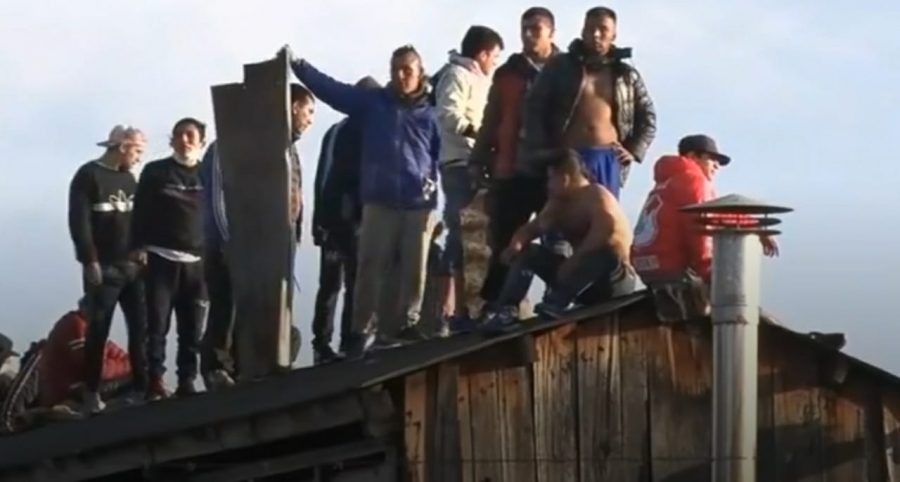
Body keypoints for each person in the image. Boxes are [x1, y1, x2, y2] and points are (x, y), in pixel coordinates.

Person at [286, 44, 440, 357]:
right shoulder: (374, 103)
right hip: (379, 201)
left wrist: (439, 187)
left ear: (419, 72)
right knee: (369, 266)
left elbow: (443, 151)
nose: (400, 76)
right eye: (395, 70)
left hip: (418, 201)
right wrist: (300, 66)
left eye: (407, 70)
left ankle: (406, 324)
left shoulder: (432, 113)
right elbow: (333, 90)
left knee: (414, 268)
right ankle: (360, 331)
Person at [199, 85, 315, 388]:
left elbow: (294, 197)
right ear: (293, 107)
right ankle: (216, 368)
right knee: (226, 306)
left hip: (270, 246)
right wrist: (228, 240)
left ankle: (248, 367)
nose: (310, 120)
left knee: (260, 308)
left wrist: (293, 237)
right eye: (308, 111)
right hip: (227, 242)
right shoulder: (228, 144)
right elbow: (217, 196)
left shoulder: (288, 150)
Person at [482, 149, 636, 334]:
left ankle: (556, 302)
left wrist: (574, 262)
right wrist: (517, 243)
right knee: (530, 252)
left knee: (605, 252)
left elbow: (606, 232)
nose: (547, 185)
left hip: (615, 280)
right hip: (579, 284)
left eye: (550, 179)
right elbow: (532, 228)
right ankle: (507, 312)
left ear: (564, 179)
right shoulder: (558, 205)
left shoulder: (596, 196)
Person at [471, 7, 561, 312]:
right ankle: (498, 305)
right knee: (506, 239)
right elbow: (492, 118)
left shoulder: (567, 70)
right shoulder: (508, 72)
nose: (528, 35)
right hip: (513, 168)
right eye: (524, 29)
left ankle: (557, 301)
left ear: (551, 33)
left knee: (558, 240)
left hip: (555, 169)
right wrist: (478, 157)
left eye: (536, 29)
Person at [520, 6, 656, 198]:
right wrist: (543, 151)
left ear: (614, 35)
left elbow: (648, 117)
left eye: (603, 29)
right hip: (568, 157)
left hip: (607, 158)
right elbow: (534, 107)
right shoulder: (559, 66)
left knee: (604, 214)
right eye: (590, 29)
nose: (596, 34)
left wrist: (633, 150)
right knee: (566, 214)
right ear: (583, 31)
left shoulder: (625, 75)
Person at [67, 124, 148, 412]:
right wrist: (89, 260)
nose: (139, 157)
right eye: (137, 150)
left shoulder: (130, 179)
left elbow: (140, 219)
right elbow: (79, 222)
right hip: (104, 268)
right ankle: (91, 392)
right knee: (98, 329)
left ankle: (143, 387)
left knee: (141, 328)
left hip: (133, 267)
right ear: (123, 147)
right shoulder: (88, 175)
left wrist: (142, 249)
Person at [631, 134, 779, 287]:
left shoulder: (665, 183)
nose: (717, 166)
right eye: (712, 159)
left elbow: (715, 213)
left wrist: (753, 225)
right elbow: (701, 224)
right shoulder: (694, 180)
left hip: (649, 269)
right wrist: (709, 270)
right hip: (676, 273)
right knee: (731, 292)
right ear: (692, 156)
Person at [131, 118, 208, 399]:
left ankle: (187, 380)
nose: (184, 141)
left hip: (198, 263)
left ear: (201, 141)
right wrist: (137, 247)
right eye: (178, 135)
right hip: (160, 258)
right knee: (156, 325)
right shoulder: (155, 172)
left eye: (190, 135)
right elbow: (139, 212)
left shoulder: (209, 174)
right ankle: (155, 381)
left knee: (192, 328)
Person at [432, 26, 504, 328]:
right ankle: (453, 310)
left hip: (476, 162)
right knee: (460, 235)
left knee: (475, 236)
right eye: (495, 57)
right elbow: (449, 115)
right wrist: (479, 133)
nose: (496, 63)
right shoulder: (456, 75)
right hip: (459, 163)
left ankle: (471, 307)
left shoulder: (479, 80)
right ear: (483, 54)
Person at [310, 77, 378, 363]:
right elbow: (328, 177)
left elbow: (321, 178)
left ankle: (334, 343)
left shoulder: (341, 130)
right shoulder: (347, 131)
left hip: (339, 217)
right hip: (344, 218)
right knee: (342, 282)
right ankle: (336, 342)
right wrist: (323, 221)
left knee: (341, 283)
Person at [0, 299, 133, 429]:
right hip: (61, 400)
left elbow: (123, 359)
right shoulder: (75, 325)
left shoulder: (94, 332)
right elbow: (99, 369)